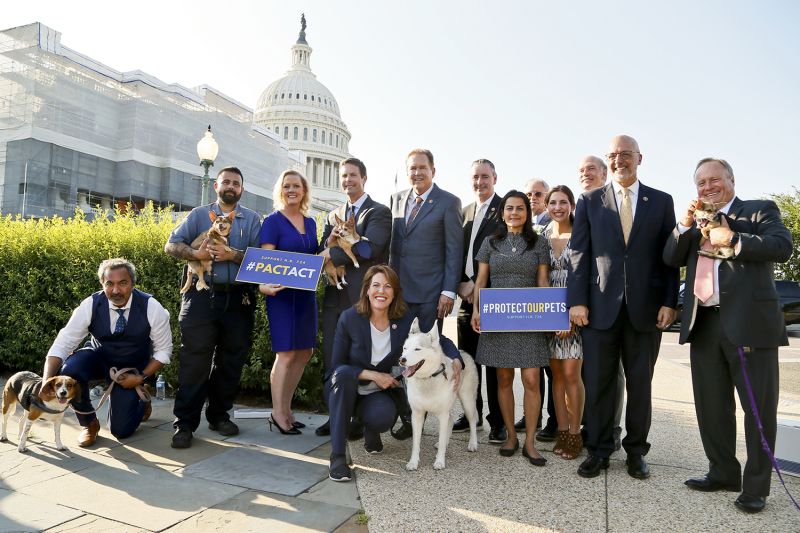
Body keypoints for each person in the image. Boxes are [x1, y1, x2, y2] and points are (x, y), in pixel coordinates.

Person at [663, 158, 792, 514]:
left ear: (731, 180)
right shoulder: (694, 222)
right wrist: (684, 225)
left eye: (714, 180)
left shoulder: (758, 211)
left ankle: (756, 488)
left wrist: (733, 238)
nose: (707, 188)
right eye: (701, 183)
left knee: (758, 410)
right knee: (711, 407)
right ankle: (722, 472)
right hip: (703, 322)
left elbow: (782, 247)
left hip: (749, 324)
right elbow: (670, 257)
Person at [568, 135, 679, 479]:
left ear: (640, 158)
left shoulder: (661, 201)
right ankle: (598, 451)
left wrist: (669, 302)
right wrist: (577, 301)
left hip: (646, 311)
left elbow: (669, 258)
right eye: (614, 155)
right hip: (600, 310)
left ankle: (636, 452)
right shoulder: (589, 201)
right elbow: (579, 254)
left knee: (640, 385)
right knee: (598, 383)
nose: (620, 160)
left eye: (626, 154)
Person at [326, 265, 464, 481]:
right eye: (376, 285)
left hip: (379, 393)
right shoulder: (350, 318)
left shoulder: (405, 318)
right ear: (367, 290)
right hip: (347, 387)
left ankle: (370, 428)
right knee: (343, 376)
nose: (381, 291)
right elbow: (337, 365)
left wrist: (455, 358)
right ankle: (337, 457)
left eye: (388, 286)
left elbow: (438, 339)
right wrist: (373, 375)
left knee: (382, 416)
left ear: (395, 292)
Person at [165, 166, 262, 448]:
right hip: (200, 297)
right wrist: (195, 253)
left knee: (231, 361)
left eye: (236, 183)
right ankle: (184, 423)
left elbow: (259, 260)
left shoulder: (253, 220)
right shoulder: (198, 215)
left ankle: (219, 415)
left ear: (241, 189)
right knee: (195, 360)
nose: (230, 186)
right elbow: (171, 246)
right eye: (226, 182)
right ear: (216, 186)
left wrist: (232, 255)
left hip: (239, 297)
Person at [42, 258, 172, 447]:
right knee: (70, 370)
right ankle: (89, 424)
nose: (116, 291)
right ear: (102, 284)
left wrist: (140, 377)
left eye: (123, 283)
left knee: (121, 431)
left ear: (133, 284)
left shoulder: (152, 307)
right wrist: (47, 381)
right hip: (98, 358)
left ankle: (142, 400)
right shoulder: (91, 304)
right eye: (109, 284)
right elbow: (62, 344)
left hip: (131, 368)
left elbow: (164, 350)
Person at [471, 190, 551, 466]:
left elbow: (543, 282)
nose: (514, 213)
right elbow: (481, 281)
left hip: (529, 319)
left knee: (531, 379)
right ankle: (510, 438)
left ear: (527, 213)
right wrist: (476, 310)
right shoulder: (490, 243)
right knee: (503, 380)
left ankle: (530, 441)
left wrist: (549, 315)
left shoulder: (539, 243)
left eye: (519, 208)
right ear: (502, 212)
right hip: (497, 318)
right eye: (509, 208)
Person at [316, 158, 392, 437]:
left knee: (360, 360)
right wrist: (328, 258)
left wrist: (330, 257)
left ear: (364, 178)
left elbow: (370, 250)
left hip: (362, 300)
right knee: (332, 360)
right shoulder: (332, 214)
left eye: (353, 176)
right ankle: (334, 416)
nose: (348, 180)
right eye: (344, 176)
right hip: (334, 299)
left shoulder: (379, 212)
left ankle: (360, 419)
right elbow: (321, 248)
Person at [258, 170, 319, 435]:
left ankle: (287, 408)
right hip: (281, 297)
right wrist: (263, 285)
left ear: (304, 190)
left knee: (305, 352)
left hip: (305, 295)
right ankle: (277, 412)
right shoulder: (272, 221)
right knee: (286, 353)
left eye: (296, 185)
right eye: (287, 186)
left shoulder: (312, 222)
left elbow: (316, 257)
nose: (291, 190)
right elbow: (265, 261)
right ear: (280, 190)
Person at [453, 159, 506, 444]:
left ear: (495, 178)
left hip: (493, 296)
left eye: (485, 176)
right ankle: (471, 414)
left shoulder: (505, 210)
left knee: (494, 363)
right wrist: (461, 284)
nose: (479, 182)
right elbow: (456, 252)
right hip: (466, 299)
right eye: (475, 177)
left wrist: (480, 284)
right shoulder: (463, 213)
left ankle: (497, 422)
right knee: (469, 361)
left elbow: (508, 253)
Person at [389, 148, 463, 333]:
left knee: (425, 353)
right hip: (398, 293)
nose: (417, 173)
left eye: (423, 167)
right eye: (413, 168)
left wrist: (448, 291)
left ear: (433, 171)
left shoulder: (449, 202)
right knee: (398, 351)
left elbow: (454, 251)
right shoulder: (395, 199)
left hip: (431, 296)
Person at [577, 155, 622, 451]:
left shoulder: (621, 204)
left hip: (613, 305)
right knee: (586, 374)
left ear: (605, 173)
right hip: (583, 305)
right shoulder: (583, 203)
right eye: (581, 170)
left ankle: (610, 430)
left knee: (610, 375)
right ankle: (586, 428)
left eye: (591, 169)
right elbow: (579, 256)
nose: (585, 174)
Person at [543, 186, 584, 460]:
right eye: (553, 202)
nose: (558, 207)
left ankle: (575, 431)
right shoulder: (541, 237)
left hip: (573, 310)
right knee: (556, 374)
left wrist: (568, 313)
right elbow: (540, 276)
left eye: (563, 202)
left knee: (571, 373)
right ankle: (561, 430)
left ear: (571, 205)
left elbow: (585, 274)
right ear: (547, 206)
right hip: (548, 311)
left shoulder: (582, 233)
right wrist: (549, 314)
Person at [519, 179, 557, 441]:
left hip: (549, 302)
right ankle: (534, 416)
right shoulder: (519, 226)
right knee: (531, 367)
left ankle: (555, 420)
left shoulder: (552, 224)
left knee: (552, 369)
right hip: (524, 305)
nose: (533, 197)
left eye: (538, 194)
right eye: (529, 193)